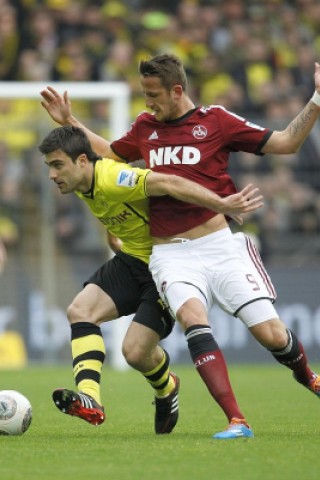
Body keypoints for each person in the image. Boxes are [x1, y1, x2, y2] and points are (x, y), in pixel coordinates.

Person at [40, 53, 320, 440]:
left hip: (219, 245)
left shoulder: (216, 121)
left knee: (271, 336)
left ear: (177, 90)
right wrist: (71, 124)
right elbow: (105, 155)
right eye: (143, 94)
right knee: (183, 320)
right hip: (168, 253)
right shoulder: (145, 127)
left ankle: (308, 377)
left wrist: (317, 99)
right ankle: (235, 420)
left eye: (153, 94)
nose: (147, 102)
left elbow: (287, 142)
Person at [38, 125, 263, 435]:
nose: (52, 174)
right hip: (131, 260)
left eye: (57, 164)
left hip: (165, 266)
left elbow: (168, 182)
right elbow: (113, 199)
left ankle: (166, 387)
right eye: (49, 166)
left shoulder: (113, 178)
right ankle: (91, 397)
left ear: (81, 161)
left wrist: (221, 204)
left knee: (134, 352)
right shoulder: (80, 182)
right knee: (80, 311)